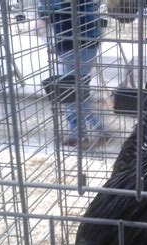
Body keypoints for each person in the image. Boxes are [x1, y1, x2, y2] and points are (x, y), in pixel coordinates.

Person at [38, 0, 109, 148]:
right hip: (80, 40)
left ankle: (83, 135)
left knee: (72, 92)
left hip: (77, 42)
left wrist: (44, 12)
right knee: (77, 89)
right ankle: (94, 131)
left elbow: (58, 7)